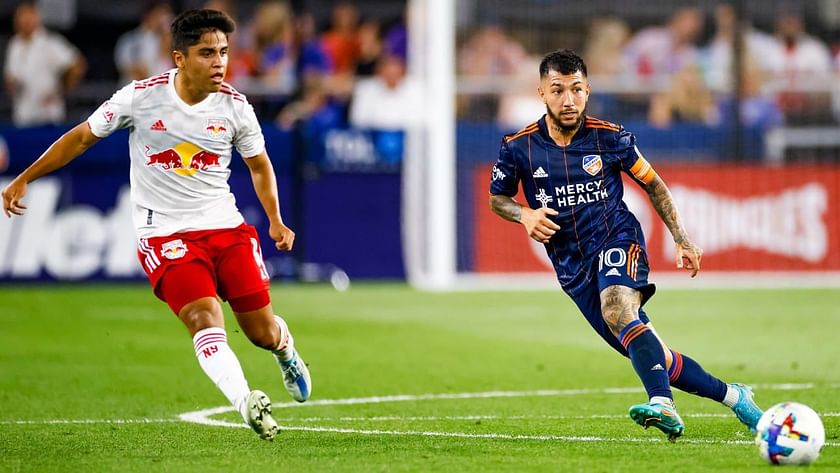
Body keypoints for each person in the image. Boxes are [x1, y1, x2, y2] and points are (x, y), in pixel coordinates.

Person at [1, 9, 311, 442]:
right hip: (163, 234)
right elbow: (82, 136)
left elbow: (260, 167)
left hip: (226, 228)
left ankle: (285, 349)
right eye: (207, 53)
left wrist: (276, 220)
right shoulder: (140, 98)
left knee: (261, 331)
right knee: (205, 317)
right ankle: (246, 401)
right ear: (179, 58)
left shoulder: (236, 107)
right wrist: (25, 177)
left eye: (223, 51)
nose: (219, 62)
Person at [488, 49, 763, 441]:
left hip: (618, 238)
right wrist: (524, 215)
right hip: (572, 267)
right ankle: (736, 397)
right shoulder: (518, 147)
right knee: (653, 354)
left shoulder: (610, 137)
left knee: (617, 305)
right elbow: (497, 198)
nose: (569, 100)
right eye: (558, 90)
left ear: (589, 91)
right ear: (541, 94)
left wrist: (681, 238)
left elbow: (653, 183)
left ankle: (662, 405)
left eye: (577, 90)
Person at [3, 1, 86, 126]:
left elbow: (77, 64)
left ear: (37, 17)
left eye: (28, 16)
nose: (24, 21)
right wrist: (12, 85)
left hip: (48, 116)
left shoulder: (50, 42)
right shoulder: (14, 45)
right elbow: (10, 77)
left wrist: (61, 91)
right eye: (21, 17)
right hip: (23, 115)